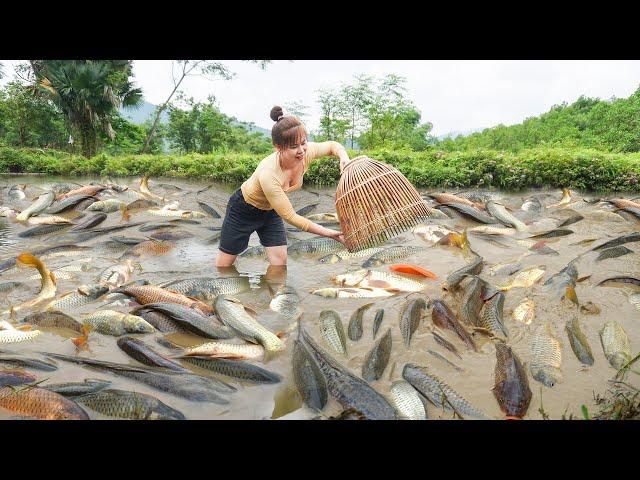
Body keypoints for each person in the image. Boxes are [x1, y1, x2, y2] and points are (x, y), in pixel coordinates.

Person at [216, 105, 351, 267]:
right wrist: (330, 233)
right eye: (294, 147)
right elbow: (291, 217)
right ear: (278, 147)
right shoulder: (269, 173)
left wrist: (344, 157)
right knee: (224, 266)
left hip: (271, 211)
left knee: (280, 262)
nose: (301, 150)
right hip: (243, 210)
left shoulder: (306, 153)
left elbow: (332, 146)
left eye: (303, 143)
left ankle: (273, 291)